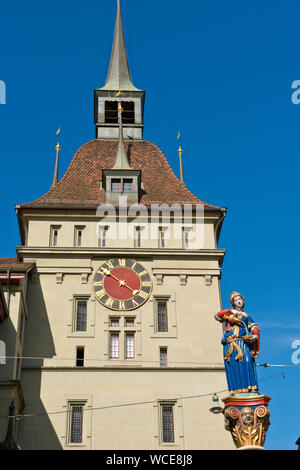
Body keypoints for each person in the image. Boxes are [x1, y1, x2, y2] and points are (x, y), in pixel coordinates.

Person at [215, 292, 260, 395]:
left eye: (240, 299)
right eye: (236, 300)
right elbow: (217, 315)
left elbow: (254, 327)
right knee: (233, 366)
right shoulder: (229, 313)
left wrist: (255, 334)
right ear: (233, 303)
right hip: (230, 344)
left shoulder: (246, 316)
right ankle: (234, 390)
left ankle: (251, 387)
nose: (238, 301)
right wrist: (230, 311)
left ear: (243, 301)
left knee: (247, 362)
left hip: (242, 342)